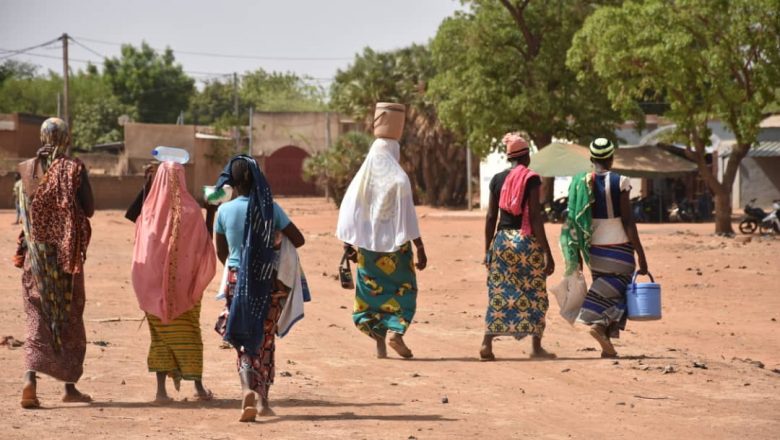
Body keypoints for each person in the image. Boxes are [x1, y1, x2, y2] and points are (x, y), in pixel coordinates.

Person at [213, 155, 305, 421]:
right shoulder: (270, 208)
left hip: (236, 279)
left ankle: (245, 390)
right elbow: (297, 239)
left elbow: (222, 253)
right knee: (265, 338)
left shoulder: (224, 211)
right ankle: (263, 401)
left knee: (241, 336)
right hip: (268, 280)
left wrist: (238, 272)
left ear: (232, 182)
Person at [14, 117, 94, 409]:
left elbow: (25, 217)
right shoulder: (74, 169)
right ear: (67, 138)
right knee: (69, 316)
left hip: (35, 259)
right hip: (65, 258)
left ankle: (29, 381)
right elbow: (90, 208)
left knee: (37, 318)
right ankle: (69, 387)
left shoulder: (25, 170)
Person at [131, 161, 216, 403]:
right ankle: (198, 387)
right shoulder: (192, 211)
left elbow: (140, 251)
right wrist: (211, 211)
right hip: (186, 290)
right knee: (190, 334)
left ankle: (161, 391)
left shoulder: (147, 213)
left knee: (159, 338)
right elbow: (204, 243)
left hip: (153, 291)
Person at [336, 137, 427, 360]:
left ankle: (380, 343)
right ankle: (396, 332)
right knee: (404, 291)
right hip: (398, 250)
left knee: (371, 298)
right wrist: (420, 246)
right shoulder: (400, 180)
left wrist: (348, 243)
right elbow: (409, 216)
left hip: (368, 250)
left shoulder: (363, 180)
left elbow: (351, 212)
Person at [561, 138, 649, 358]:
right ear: (610, 158)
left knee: (607, 291)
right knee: (623, 291)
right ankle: (599, 324)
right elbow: (628, 221)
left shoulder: (580, 182)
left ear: (592, 159)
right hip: (618, 246)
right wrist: (641, 253)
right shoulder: (620, 181)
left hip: (594, 249)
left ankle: (607, 345)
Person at [480, 133, 556, 361]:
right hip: (526, 242)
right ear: (527, 157)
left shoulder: (496, 179)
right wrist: (547, 253)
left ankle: (487, 342)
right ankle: (536, 346)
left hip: (502, 242)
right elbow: (534, 216)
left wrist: (488, 250)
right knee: (535, 293)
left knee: (500, 292)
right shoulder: (531, 179)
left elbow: (491, 217)